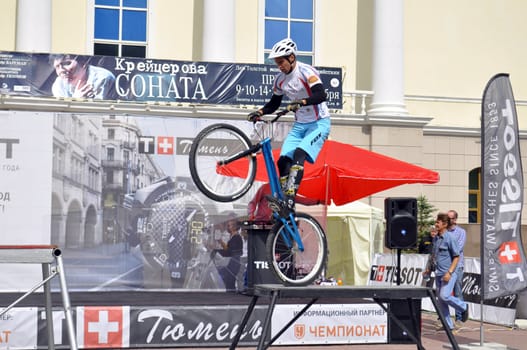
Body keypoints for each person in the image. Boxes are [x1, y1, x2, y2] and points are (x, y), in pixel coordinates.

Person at [247, 38, 330, 214]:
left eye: (281, 62)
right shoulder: (279, 80)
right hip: (300, 125)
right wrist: (260, 112)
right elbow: (274, 103)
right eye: (277, 63)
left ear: (292, 58)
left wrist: (301, 102)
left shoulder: (307, 72)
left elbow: (321, 95)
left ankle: (290, 201)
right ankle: (285, 199)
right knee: (283, 160)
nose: (280, 67)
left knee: (299, 153)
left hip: (319, 124)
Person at [423, 213, 468, 331]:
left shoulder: (450, 238)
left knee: (445, 295)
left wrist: (449, 272)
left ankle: (463, 306)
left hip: (449, 273)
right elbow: (434, 256)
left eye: (438, 222)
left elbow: (456, 256)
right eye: (436, 222)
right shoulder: (437, 238)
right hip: (438, 273)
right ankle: (448, 325)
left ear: (445, 224)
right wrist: (428, 269)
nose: (436, 224)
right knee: (441, 300)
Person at [50, 54, 118, 100]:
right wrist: (75, 100)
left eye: (67, 63)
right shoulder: (58, 84)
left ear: (83, 63)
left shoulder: (104, 78)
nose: (61, 70)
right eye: (57, 67)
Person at [247, 182, 320, 222]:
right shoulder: (265, 187)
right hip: (261, 223)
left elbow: (302, 200)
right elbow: (253, 203)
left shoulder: (286, 191)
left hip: (277, 225)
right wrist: (251, 214)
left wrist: (318, 201)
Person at [448, 209, 467, 325]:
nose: (448, 220)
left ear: (455, 219)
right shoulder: (444, 232)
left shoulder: (461, 232)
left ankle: (459, 317)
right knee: (443, 293)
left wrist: (445, 250)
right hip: (445, 266)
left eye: (450, 218)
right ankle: (444, 317)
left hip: (457, 266)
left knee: (457, 291)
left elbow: (458, 248)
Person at [215, 215, 243, 291]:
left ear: (234, 227)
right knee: (228, 282)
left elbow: (229, 251)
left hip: (234, 263)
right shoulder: (233, 237)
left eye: (229, 226)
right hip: (231, 262)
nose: (228, 227)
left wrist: (220, 242)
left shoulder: (236, 237)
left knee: (230, 282)